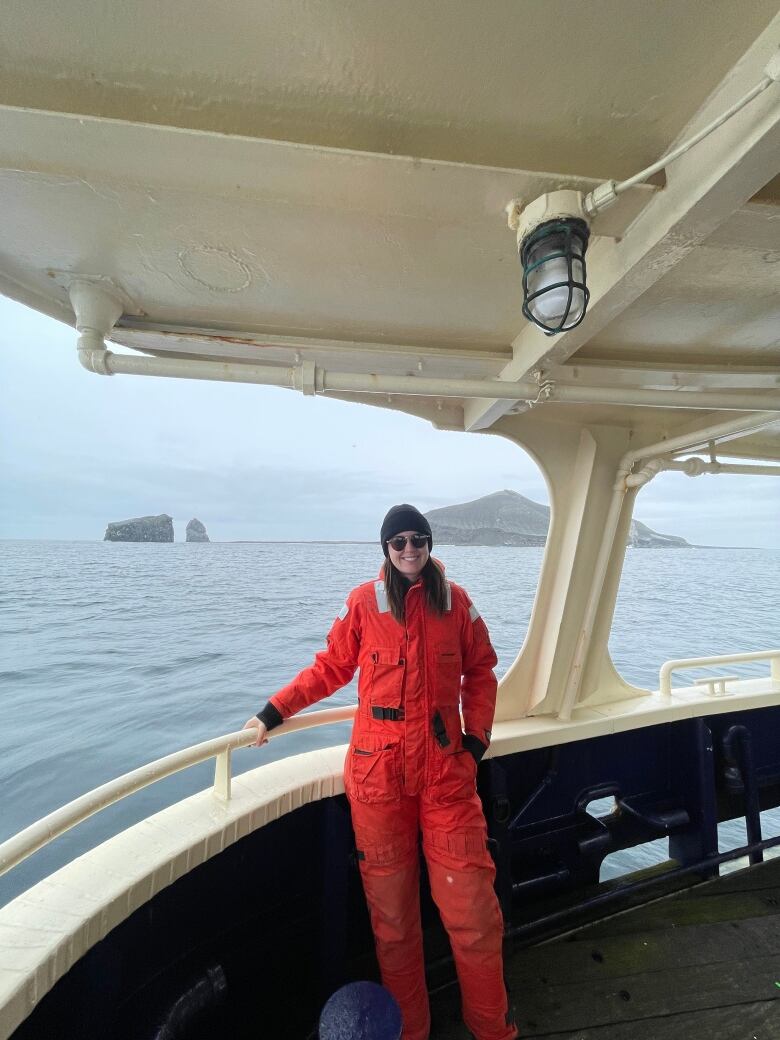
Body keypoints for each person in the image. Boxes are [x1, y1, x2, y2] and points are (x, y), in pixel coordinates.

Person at [243, 504, 517, 1040]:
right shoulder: (362, 605)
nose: (409, 549)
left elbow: (482, 670)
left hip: (446, 779)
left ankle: (492, 1031)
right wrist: (274, 710)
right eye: (398, 542)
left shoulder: (458, 603)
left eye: (418, 539)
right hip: (377, 780)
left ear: (430, 544)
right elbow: (330, 668)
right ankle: (410, 1032)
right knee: (392, 927)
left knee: (475, 915)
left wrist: (476, 740)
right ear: (385, 549)